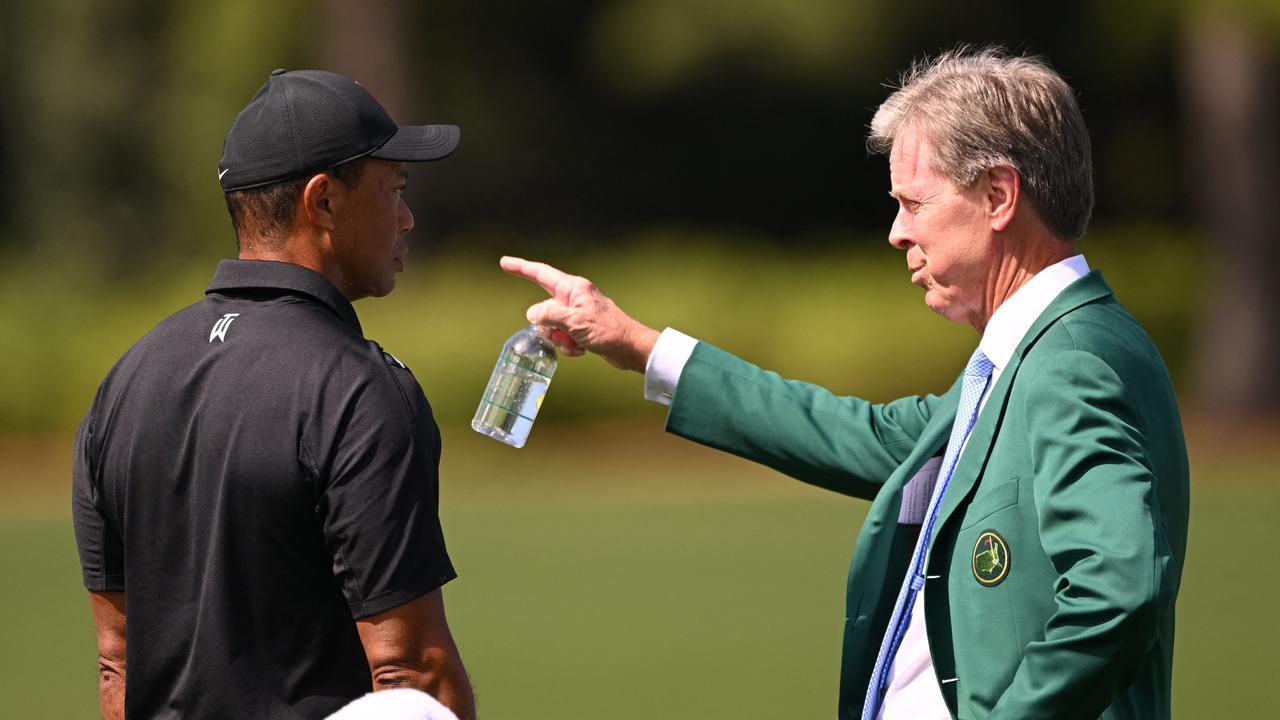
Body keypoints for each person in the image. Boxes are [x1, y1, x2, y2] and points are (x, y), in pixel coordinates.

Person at [501, 48, 1188, 719]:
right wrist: (639, 345)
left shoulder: (1070, 361)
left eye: (913, 202)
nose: (897, 232)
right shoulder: (1035, 353)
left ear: (999, 196)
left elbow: (1118, 589)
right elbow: (863, 435)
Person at [72, 69, 476, 719]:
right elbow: (412, 674)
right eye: (393, 190)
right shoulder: (358, 388)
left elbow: (117, 664)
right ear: (323, 202)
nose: (406, 218)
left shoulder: (124, 380)